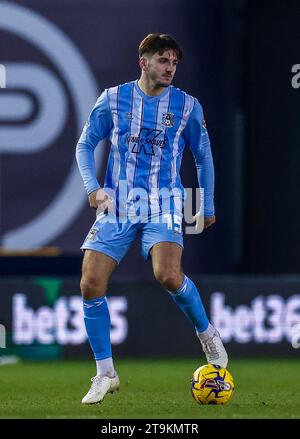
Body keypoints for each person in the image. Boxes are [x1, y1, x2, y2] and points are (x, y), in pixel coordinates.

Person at [76, 33, 228, 405]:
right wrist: (92, 187)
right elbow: (85, 143)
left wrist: (206, 205)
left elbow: (202, 156)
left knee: (167, 274)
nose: (171, 68)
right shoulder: (113, 99)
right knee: (90, 283)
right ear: (143, 62)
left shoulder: (187, 106)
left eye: (174, 62)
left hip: (164, 203)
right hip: (119, 203)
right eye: (163, 60)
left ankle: (207, 335)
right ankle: (105, 373)